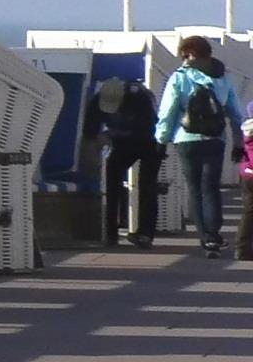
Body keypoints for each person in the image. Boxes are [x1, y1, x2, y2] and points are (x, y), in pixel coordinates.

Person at [154, 37, 244, 256]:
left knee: (194, 189)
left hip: (186, 139)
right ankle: (214, 233)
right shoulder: (223, 78)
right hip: (215, 139)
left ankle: (206, 238)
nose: (184, 60)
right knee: (211, 187)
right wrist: (238, 142)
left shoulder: (179, 77)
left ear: (192, 54)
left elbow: (167, 112)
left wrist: (161, 139)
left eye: (185, 56)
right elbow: (235, 113)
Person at [101, 78, 160, 249]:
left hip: (123, 144)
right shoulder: (146, 96)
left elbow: (108, 122)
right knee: (148, 187)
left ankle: (111, 232)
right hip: (150, 142)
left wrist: (109, 135)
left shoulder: (110, 97)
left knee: (112, 185)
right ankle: (145, 234)